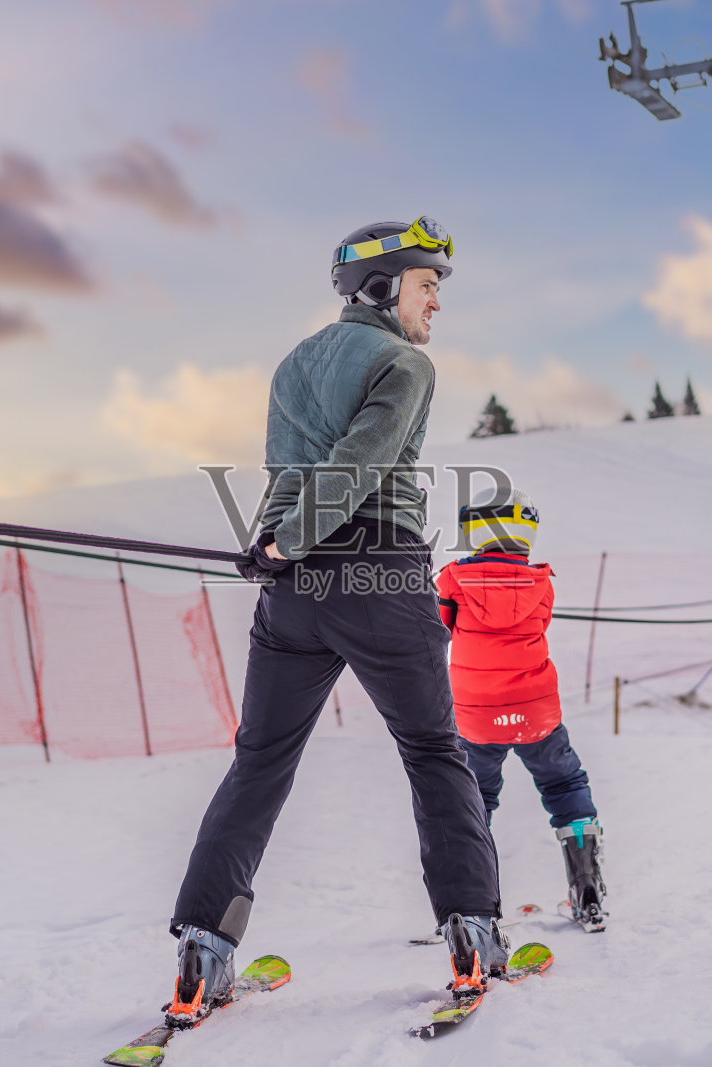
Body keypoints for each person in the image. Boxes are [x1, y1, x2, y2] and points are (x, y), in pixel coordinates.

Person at [166, 218, 507, 1026]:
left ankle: (203, 949)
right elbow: (358, 461)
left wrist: (271, 543)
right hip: (381, 573)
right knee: (432, 749)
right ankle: (472, 932)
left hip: (295, 593)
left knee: (259, 762)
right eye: (428, 286)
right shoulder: (404, 361)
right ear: (384, 287)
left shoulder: (295, 362)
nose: (436, 305)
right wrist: (285, 536)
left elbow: (292, 469)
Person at [434, 486, 608, 930]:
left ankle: (470, 908)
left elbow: (439, 627)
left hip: (475, 716)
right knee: (565, 784)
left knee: (474, 800)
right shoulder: (540, 583)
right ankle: (586, 888)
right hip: (536, 714)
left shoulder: (452, 580)